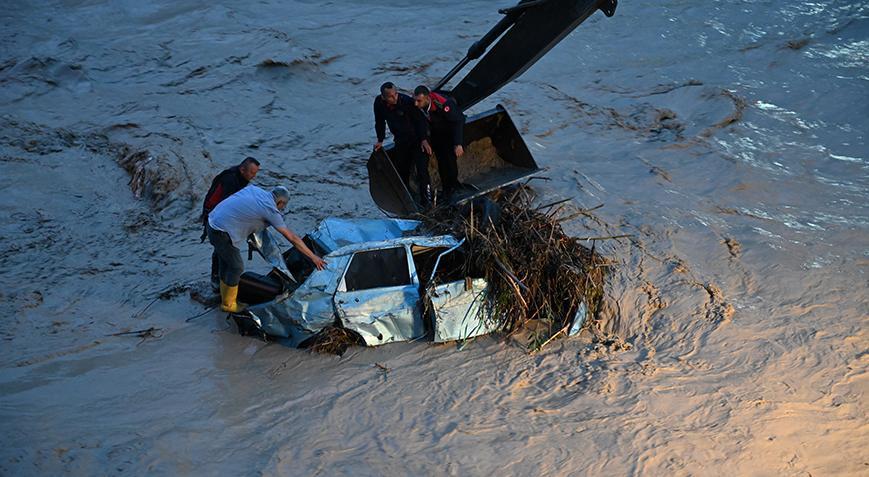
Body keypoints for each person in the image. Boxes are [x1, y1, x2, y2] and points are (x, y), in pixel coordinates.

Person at [207, 185, 326, 313]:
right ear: (280, 202)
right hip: (221, 232)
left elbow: (244, 210)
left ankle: (221, 290)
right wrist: (313, 257)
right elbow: (292, 238)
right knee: (236, 267)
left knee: (226, 261)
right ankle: (228, 304)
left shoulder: (255, 190)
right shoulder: (270, 209)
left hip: (212, 220)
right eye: (283, 206)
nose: (282, 209)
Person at [201, 157, 261, 289]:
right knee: (221, 246)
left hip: (218, 214)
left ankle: (221, 278)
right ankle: (216, 278)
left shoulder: (240, 178)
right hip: (213, 215)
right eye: (252, 173)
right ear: (242, 169)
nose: (253, 177)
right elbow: (227, 204)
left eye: (255, 173)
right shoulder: (230, 180)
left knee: (222, 247)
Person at [374, 82, 432, 206]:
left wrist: (423, 139)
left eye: (395, 94)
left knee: (422, 171)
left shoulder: (407, 102)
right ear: (383, 97)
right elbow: (379, 121)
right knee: (402, 170)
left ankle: (427, 201)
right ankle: (407, 199)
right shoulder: (379, 103)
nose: (394, 98)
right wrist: (380, 140)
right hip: (401, 140)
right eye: (390, 96)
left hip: (417, 139)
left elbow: (420, 121)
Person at [413, 85, 466, 201]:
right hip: (437, 132)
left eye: (419, 101)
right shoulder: (420, 107)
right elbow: (420, 122)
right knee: (441, 161)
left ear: (427, 98)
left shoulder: (443, 104)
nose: (416, 104)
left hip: (449, 132)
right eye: (415, 100)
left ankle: (453, 188)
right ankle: (446, 189)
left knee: (450, 161)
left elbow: (458, 121)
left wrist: (458, 143)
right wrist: (424, 139)